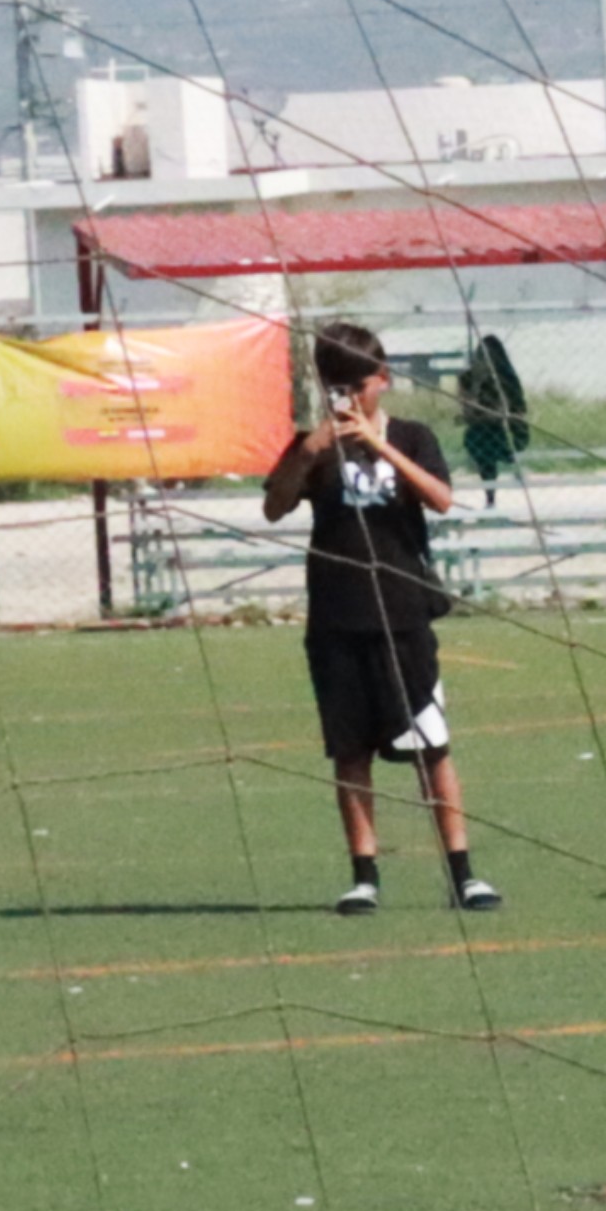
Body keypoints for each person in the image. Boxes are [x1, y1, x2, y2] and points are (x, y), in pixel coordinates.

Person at [258, 322, 495, 916]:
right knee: (350, 751)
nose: (346, 397)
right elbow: (273, 506)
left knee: (430, 747)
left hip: (404, 613)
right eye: (335, 386)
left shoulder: (412, 436)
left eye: (356, 385)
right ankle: (364, 875)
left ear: (381, 381)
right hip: (337, 617)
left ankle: (463, 873)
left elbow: (441, 499)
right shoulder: (311, 445)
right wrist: (311, 452)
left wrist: (377, 443)